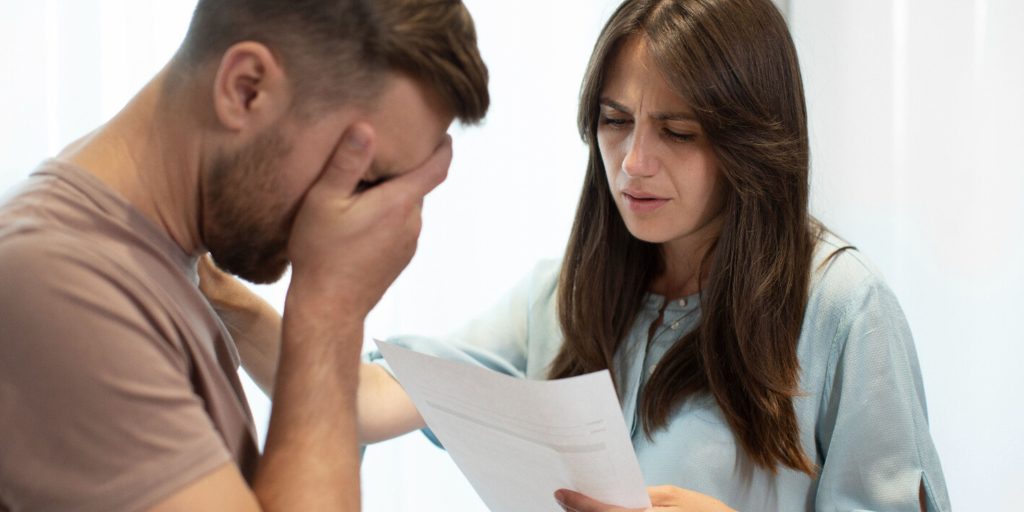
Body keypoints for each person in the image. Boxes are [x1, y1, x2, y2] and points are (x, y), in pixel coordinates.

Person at [203, 0, 951, 510]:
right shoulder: (563, 294)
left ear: (752, 138)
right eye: (615, 122)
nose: (632, 163)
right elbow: (362, 400)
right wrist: (216, 292)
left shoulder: (845, 310)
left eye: (679, 132)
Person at [0, 0, 488, 510]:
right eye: (363, 177)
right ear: (246, 88)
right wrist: (329, 310)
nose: (362, 218)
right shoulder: (57, 285)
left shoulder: (161, 264)